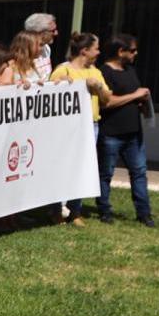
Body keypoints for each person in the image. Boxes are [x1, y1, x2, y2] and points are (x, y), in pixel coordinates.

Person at [50, 32, 114, 226]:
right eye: (96, 48)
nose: (99, 52)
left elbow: (106, 100)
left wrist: (99, 88)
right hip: (67, 128)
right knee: (62, 168)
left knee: (82, 169)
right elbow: (51, 96)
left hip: (91, 126)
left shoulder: (96, 72)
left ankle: (75, 211)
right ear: (85, 51)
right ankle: (56, 211)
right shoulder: (63, 70)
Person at [97, 34, 154, 227]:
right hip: (111, 132)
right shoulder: (104, 72)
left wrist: (142, 101)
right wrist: (134, 95)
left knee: (139, 172)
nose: (135, 53)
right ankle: (104, 210)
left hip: (134, 133)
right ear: (120, 52)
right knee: (106, 173)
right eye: (132, 50)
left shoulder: (130, 70)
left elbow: (131, 97)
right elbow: (106, 103)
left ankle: (144, 213)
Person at [24, 12, 58, 80]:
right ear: (39, 31)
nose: (56, 33)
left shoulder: (47, 49)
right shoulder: (23, 52)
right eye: (53, 31)